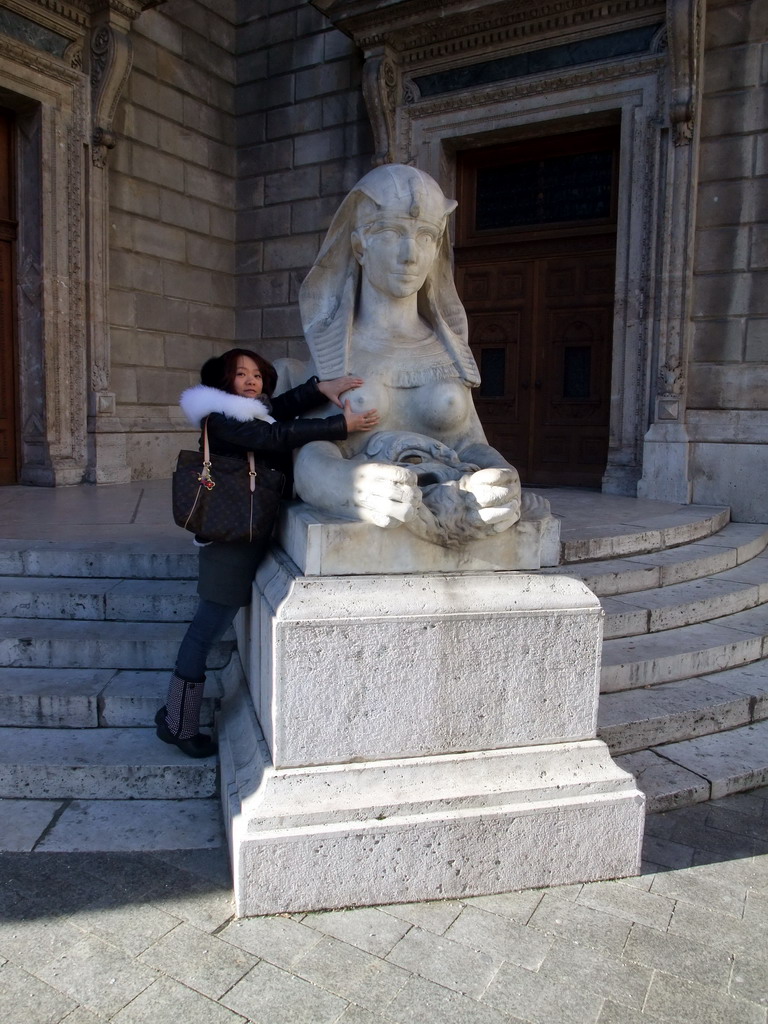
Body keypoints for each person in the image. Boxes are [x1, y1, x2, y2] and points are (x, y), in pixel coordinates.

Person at [285, 164, 541, 546]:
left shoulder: (449, 349)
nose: (410, 255)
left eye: (425, 236)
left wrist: (500, 477)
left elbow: (470, 444)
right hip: (374, 506)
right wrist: (351, 486)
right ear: (359, 246)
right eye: (391, 233)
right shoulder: (337, 347)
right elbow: (311, 457)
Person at [155, 348, 379, 757]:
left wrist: (319, 389)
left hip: (247, 534)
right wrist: (338, 425)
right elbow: (274, 436)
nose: (251, 380)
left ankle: (174, 716)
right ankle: (177, 722)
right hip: (230, 541)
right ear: (224, 382)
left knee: (207, 628)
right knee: (206, 630)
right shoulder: (220, 419)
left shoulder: (252, 410)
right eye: (241, 374)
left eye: (257, 374)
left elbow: (280, 409)